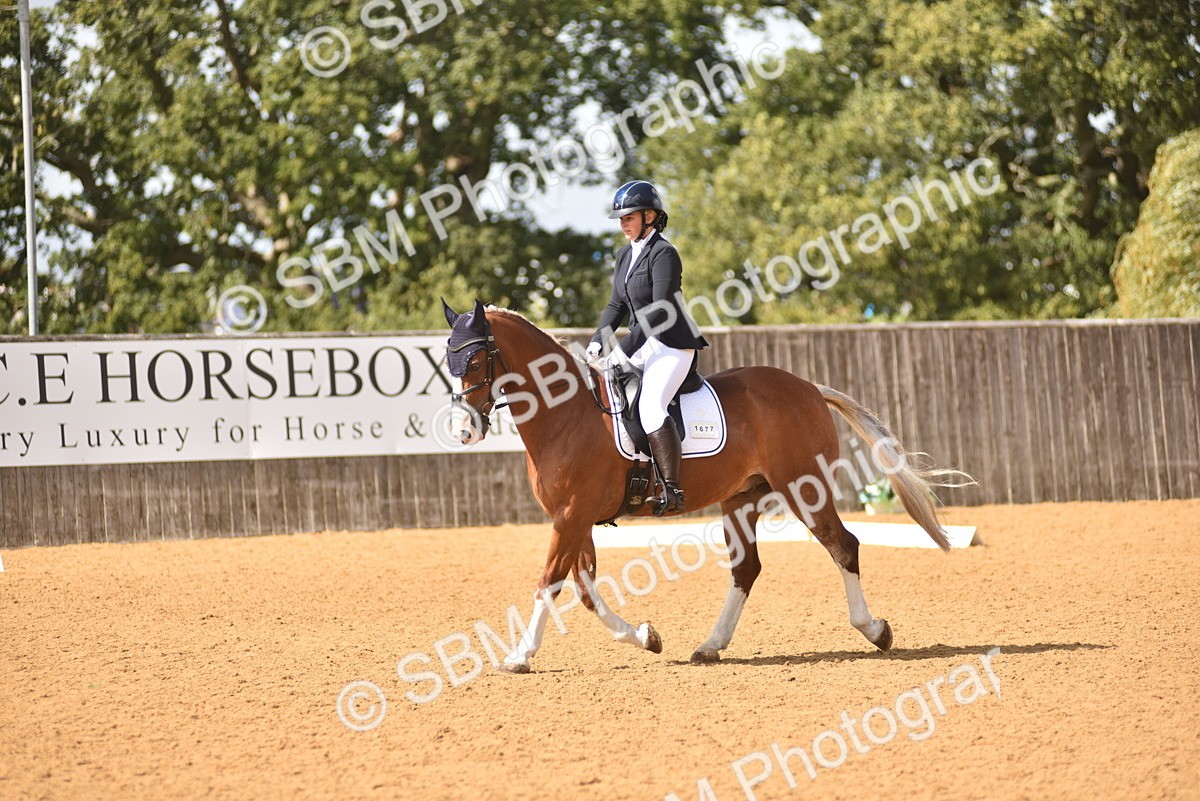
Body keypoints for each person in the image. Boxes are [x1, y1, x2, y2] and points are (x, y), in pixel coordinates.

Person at [586, 180, 709, 515]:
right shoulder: (625, 254)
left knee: (652, 407)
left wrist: (623, 350)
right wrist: (598, 342)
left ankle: (673, 489)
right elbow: (616, 307)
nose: (623, 223)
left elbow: (659, 311)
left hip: (671, 344)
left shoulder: (664, 253)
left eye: (629, 217)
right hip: (642, 344)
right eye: (620, 218)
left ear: (650, 216)